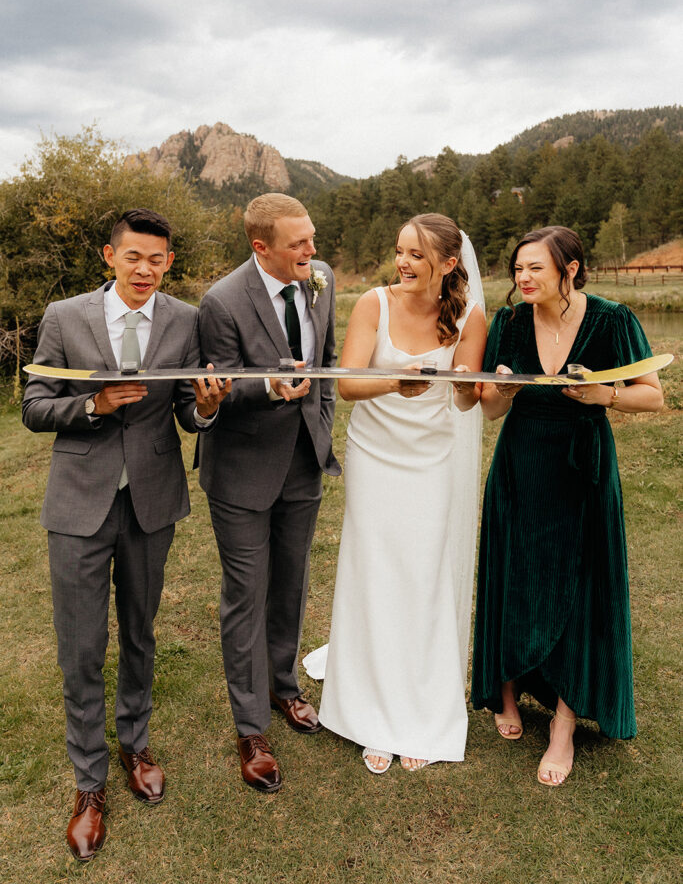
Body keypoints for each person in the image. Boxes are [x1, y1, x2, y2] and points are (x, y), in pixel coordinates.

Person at [22, 208, 229, 861]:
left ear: (168, 262)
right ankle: (89, 786)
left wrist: (208, 406)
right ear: (108, 257)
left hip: (151, 499)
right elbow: (33, 406)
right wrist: (92, 405)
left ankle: (134, 746)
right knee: (81, 649)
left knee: (140, 633)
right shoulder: (65, 317)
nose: (146, 269)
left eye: (157, 259)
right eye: (133, 257)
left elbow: (185, 411)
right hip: (79, 503)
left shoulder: (185, 320)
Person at [469, 225, 663, 787]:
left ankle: (564, 724)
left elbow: (653, 394)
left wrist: (606, 394)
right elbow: (487, 412)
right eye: (518, 269)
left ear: (570, 269)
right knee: (515, 573)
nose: (523, 279)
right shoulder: (507, 323)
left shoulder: (611, 319)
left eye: (535, 268)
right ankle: (505, 689)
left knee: (580, 585)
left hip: (584, 469)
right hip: (521, 463)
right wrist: (501, 390)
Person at [309, 213, 486, 773]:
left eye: (415, 254)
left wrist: (467, 387)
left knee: (422, 575)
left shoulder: (470, 316)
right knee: (375, 572)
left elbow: (462, 402)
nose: (403, 263)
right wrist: (395, 380)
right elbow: (348, 382)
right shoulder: (373, 304)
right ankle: (368, 712)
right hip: (376, 457)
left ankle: (420, 708)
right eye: (399, 251)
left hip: (432, 459)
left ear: (448, 264)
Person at [197, 192, 340, 793]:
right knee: (247, 595)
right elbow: (217, 387)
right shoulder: (222, 301)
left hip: (304, 461)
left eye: (311, 236)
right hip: (242, 471)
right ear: (262, 247)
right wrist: (269, 391)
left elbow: (326, 360)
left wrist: (322, 420)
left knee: (292, 583)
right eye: (298, 243)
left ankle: (285, 687)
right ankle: (251, 727)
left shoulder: (321, 281)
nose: (313, 250)